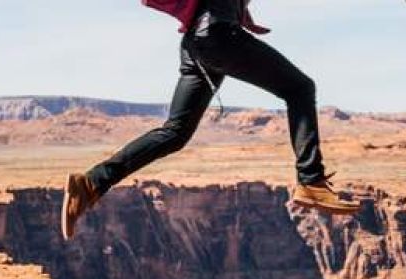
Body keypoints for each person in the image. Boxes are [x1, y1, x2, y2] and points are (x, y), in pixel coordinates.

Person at [61, 0, 360, 240]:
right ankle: (311, 180)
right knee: (300, 88)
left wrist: (241, 10)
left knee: (175, 132)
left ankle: (90, 183)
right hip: (219, 36)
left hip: (197, 41)